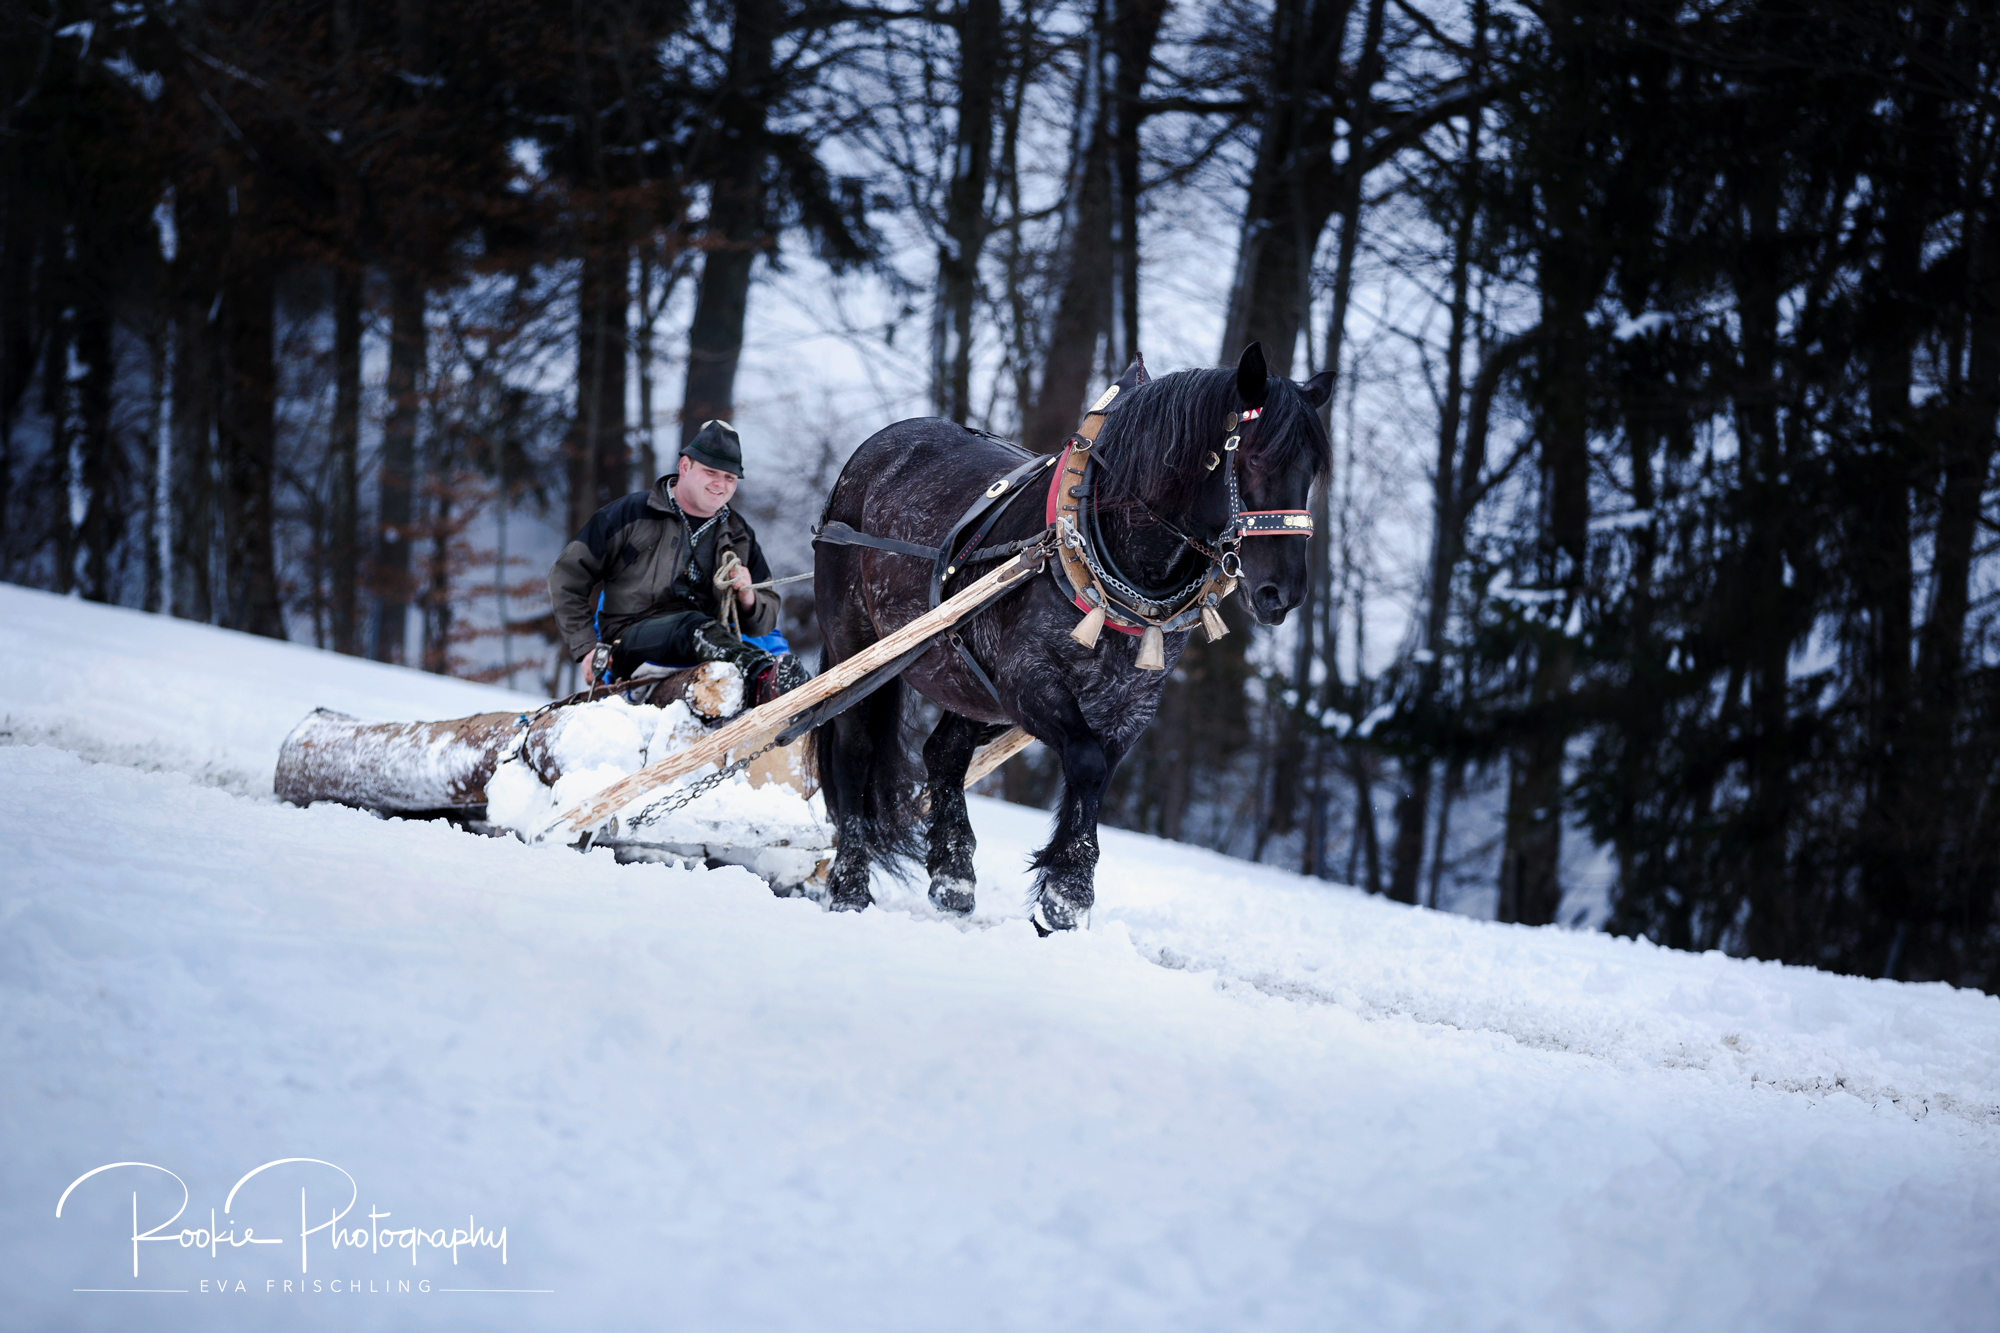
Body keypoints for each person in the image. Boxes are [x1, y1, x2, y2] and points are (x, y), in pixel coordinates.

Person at [549, 420, 808, 705]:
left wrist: (749, 599)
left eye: (730, 477)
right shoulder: (628, 515)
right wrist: (587, 647)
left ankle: (796, 690)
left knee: (701, 629)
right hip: (632, 643)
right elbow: (566, 577)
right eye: (711, 472)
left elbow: (766, 620)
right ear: (685, 466)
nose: (720, 484)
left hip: (710, 645)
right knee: (692, 626)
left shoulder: (739, 535)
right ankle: (764, 679)